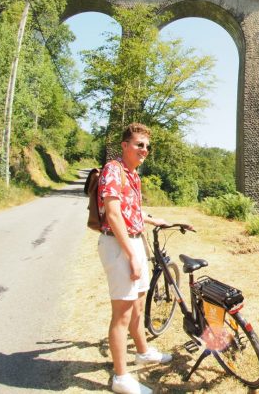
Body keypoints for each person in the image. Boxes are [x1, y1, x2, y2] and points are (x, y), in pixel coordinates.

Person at [97, 123, 172, 394]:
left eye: (147, 146)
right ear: (125, 145)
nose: (145, 150)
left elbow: (132, 210)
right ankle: (120, 378)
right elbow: (113, 214)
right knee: (122, 313)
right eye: (140, 144)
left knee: (138, 306)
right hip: (119, 245)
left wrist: (153, 219)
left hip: (134, 241)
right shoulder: (113, 170)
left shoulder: (133, 175)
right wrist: (131, 255)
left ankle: (142, 352)